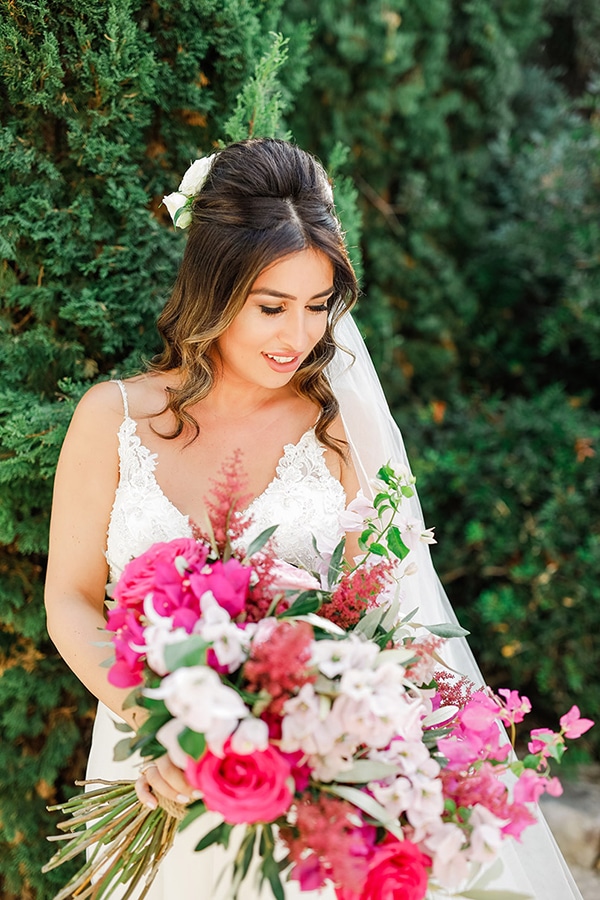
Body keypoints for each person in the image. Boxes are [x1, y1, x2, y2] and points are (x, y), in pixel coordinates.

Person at [45, 138, 582, 899]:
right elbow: (69, 595)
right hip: (151, 766)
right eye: (271, 307)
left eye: (317, 305)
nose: (298, 337)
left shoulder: (338, 434)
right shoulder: (114, 418)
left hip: (304, 785)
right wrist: (160, 725)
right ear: (214, 287)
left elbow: (387, 621)